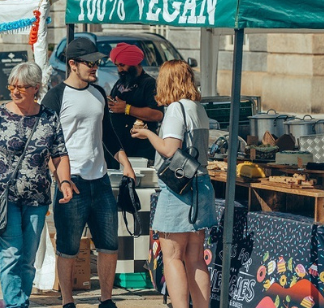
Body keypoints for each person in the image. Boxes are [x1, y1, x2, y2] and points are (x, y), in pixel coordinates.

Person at [0, 62, 73, 308]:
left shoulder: (48, 117)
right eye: (12, 86)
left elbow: (59, 154)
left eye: (21, 87)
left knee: (28, 258)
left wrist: (64, 181)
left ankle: (20, 300)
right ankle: (16, 305)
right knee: (11, 254)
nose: (15, 91)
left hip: (37, 197)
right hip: (2, 196)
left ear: (36, 88)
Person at [41, 37, 136, 308]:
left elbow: (108, 134)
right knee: (68, 247)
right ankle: (68, 301)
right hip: (72, 181)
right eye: (90, 63)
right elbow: (46, 142)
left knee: (109, 245)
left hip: (101, 180)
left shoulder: (98, 93)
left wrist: (125, 164)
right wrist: (61, 178)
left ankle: (106, 300)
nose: (95, 67)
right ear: (72, 64)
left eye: (97, 62)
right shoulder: (56, 96)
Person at [130, 60, 217, 308]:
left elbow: (169, 149)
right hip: (202, 184)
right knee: (196, 258)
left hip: (179, 190)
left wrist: (147, 134)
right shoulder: (197, 108)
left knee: (173, 256)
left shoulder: (175, 109)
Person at [107, 43, 163, 164]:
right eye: (117, 66)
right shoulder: (121, 82)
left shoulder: (149, 84)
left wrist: (127, 108)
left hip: (140, 150)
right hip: (120, 148)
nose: (119, 69)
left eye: (122, 65)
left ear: (135, 62)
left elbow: (157, 114)